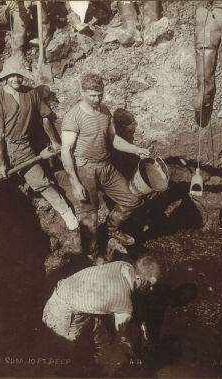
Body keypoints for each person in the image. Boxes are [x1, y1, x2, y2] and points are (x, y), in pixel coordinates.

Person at [0, 55, 81, 253]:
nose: (16, 79)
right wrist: (2, 165)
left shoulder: (32, 94)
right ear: (5, 77)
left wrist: (54, 141)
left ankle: (69, 216)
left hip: (24, 148)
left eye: (19, 76)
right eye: (12, 76)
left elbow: (45, 118)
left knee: (43, 182)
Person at [60, 73, 150, 255]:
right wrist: (75, 183)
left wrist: (136, 149)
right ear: (82, 92)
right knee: (90, 214)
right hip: (86, 170)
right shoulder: (73, 117)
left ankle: (113, 230)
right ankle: (91, 253)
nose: (97, 99)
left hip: (106, 166)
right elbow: (65, 151)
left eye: (100, 94)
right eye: (92, 95)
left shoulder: (105, 111)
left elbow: (114, 140)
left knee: (132, 199)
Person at [42, 257, 160, 362]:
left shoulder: (123, 265)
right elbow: (123, 336)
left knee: (101, 329)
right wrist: (132, 352)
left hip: (64, 288)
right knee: (70, 346)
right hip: (61, 311)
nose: (150, 289)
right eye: (148, 283)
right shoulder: (124, 304)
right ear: (138, 278)